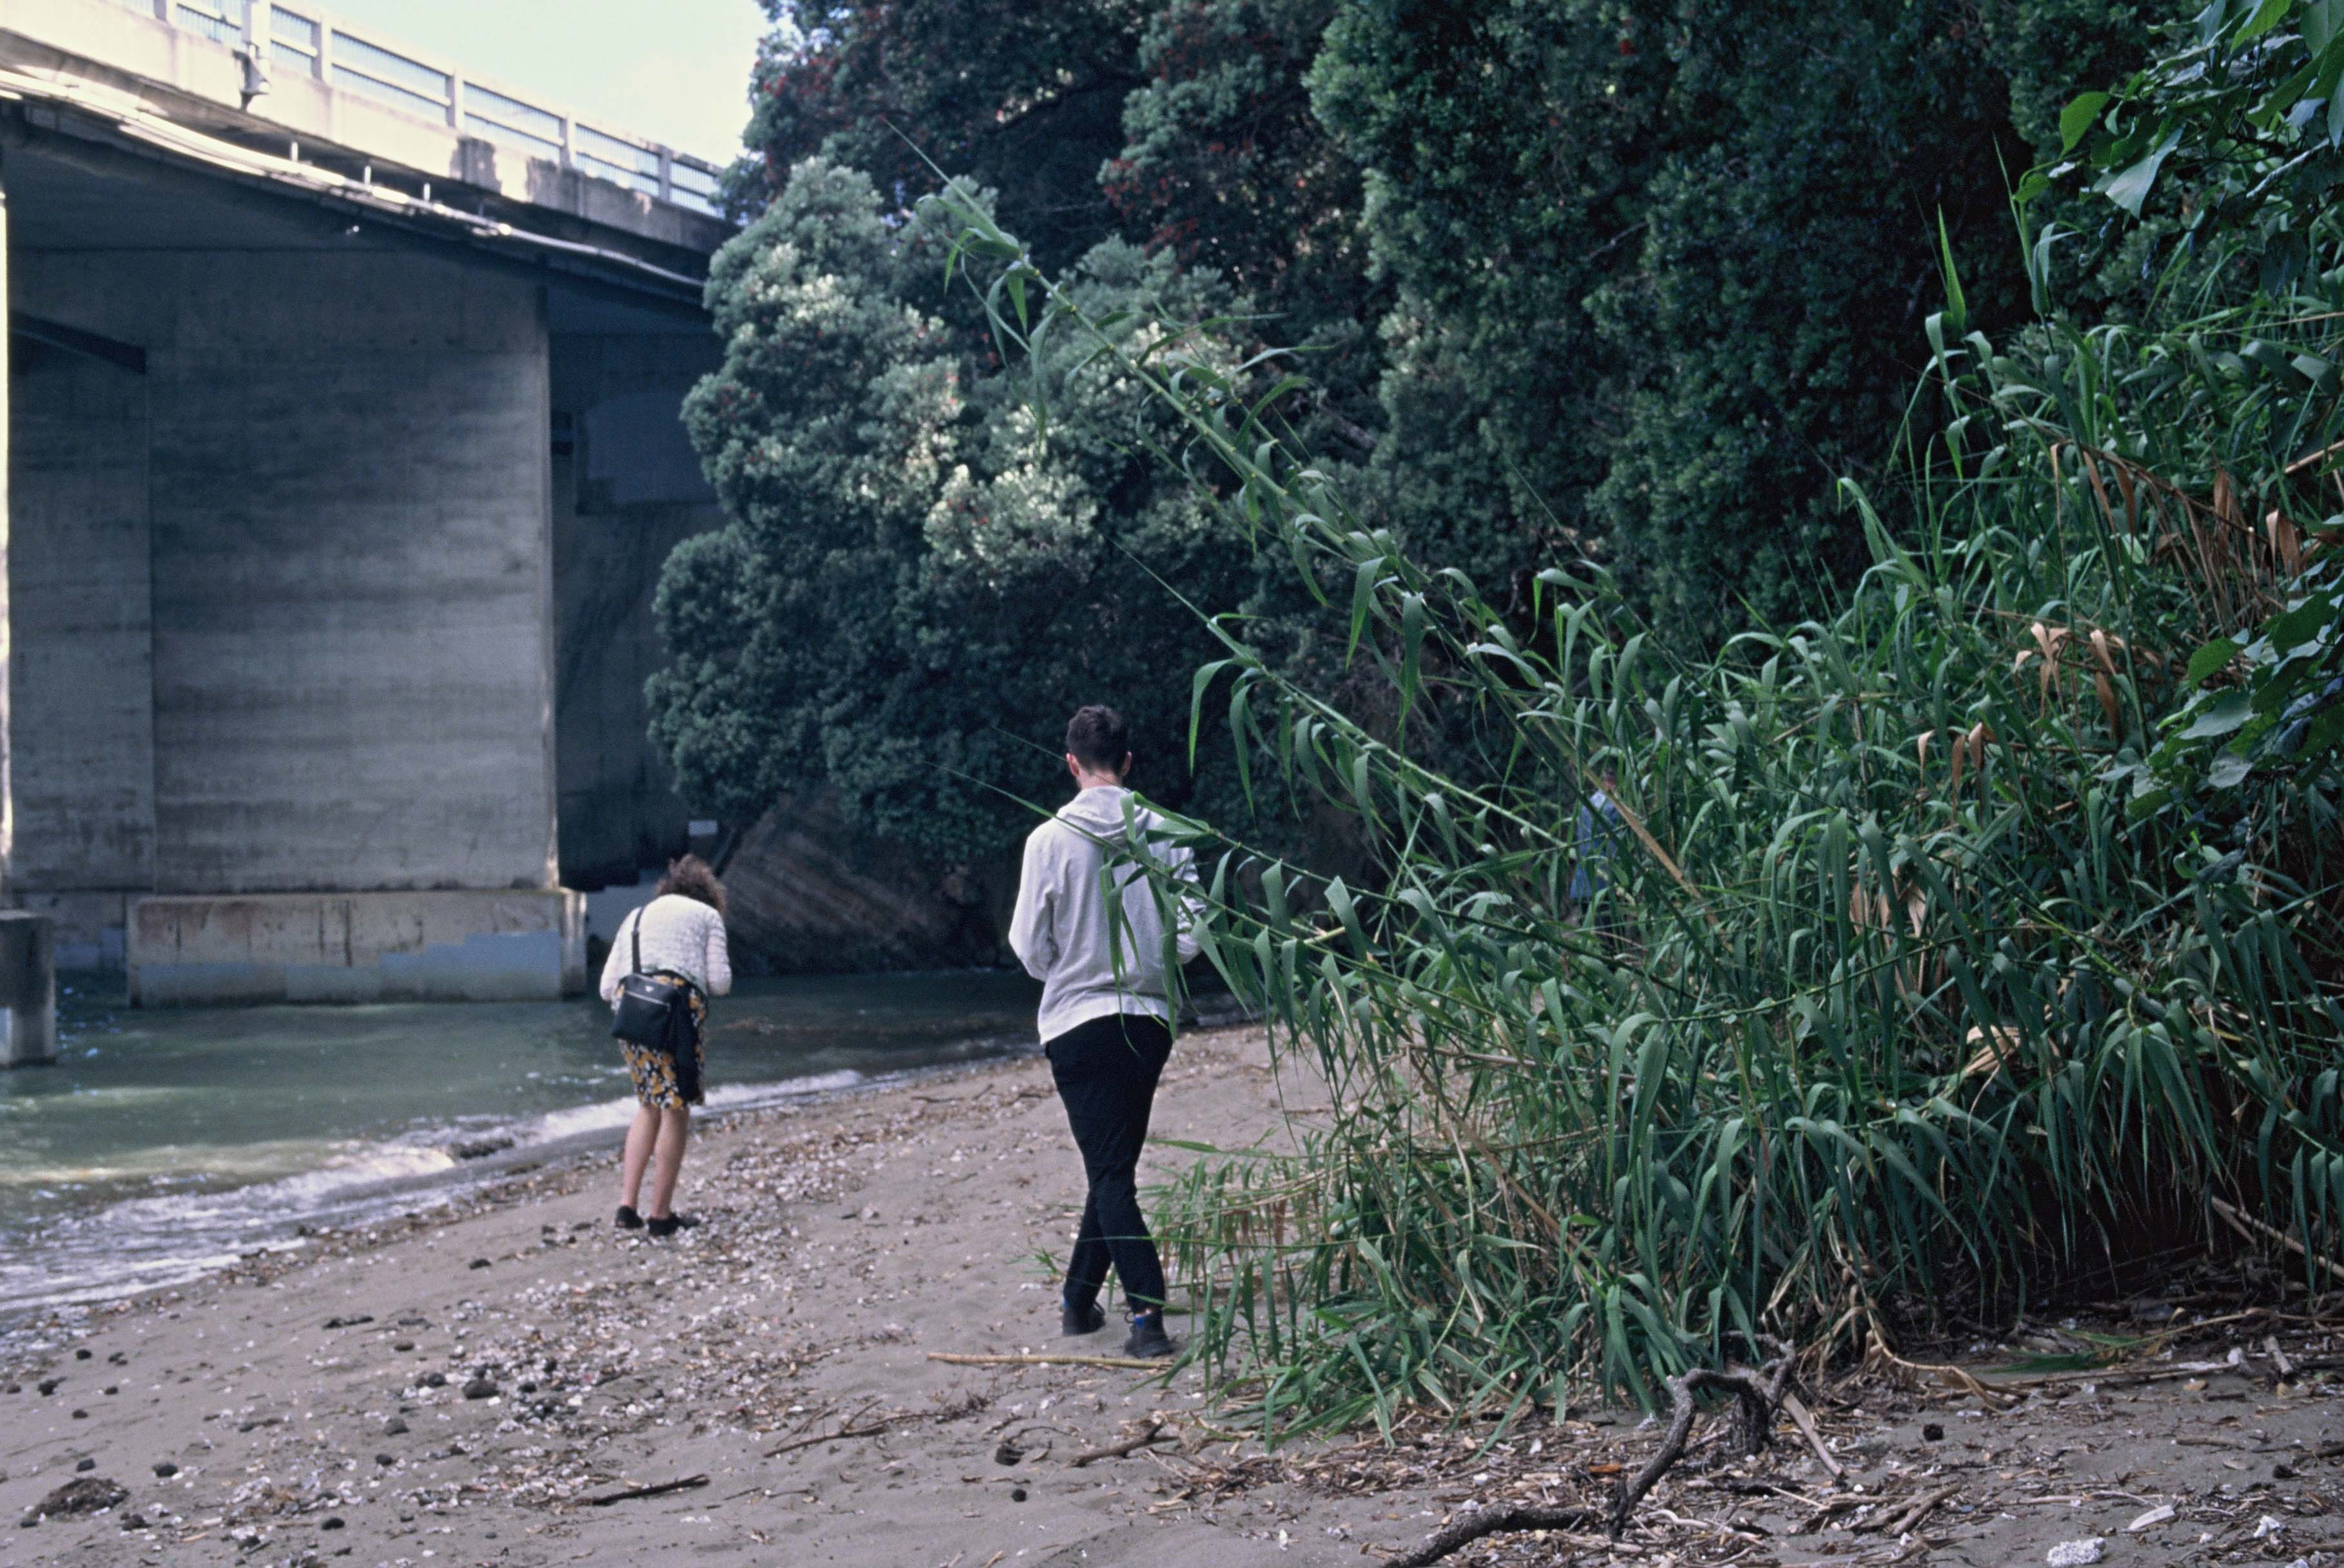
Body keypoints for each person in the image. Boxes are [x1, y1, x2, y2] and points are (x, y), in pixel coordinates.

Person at [1010, 704, 1201, 1359]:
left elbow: (1029, 948)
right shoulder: (1166, 832)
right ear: (1127, 762)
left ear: (1071, 763)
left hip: (1077, 1021)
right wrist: (1150, 953)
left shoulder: (1048, 840)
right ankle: (1076, 1300)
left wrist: (1070, 963)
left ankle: (1146, 1317)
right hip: (1147, 1019)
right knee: (1112, 1166)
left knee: (1111, 1172)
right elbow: (1192, 936)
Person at [599, 854, 732, 1238]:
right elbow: (720, 982)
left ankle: (627, 1208)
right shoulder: (707, 916)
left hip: (630, 1009)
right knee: (676, 1109)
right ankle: (660, 1216)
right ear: (708, 895)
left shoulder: (636, 916)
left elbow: (606, 988)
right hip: (675, 1011)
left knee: (648, 1105)